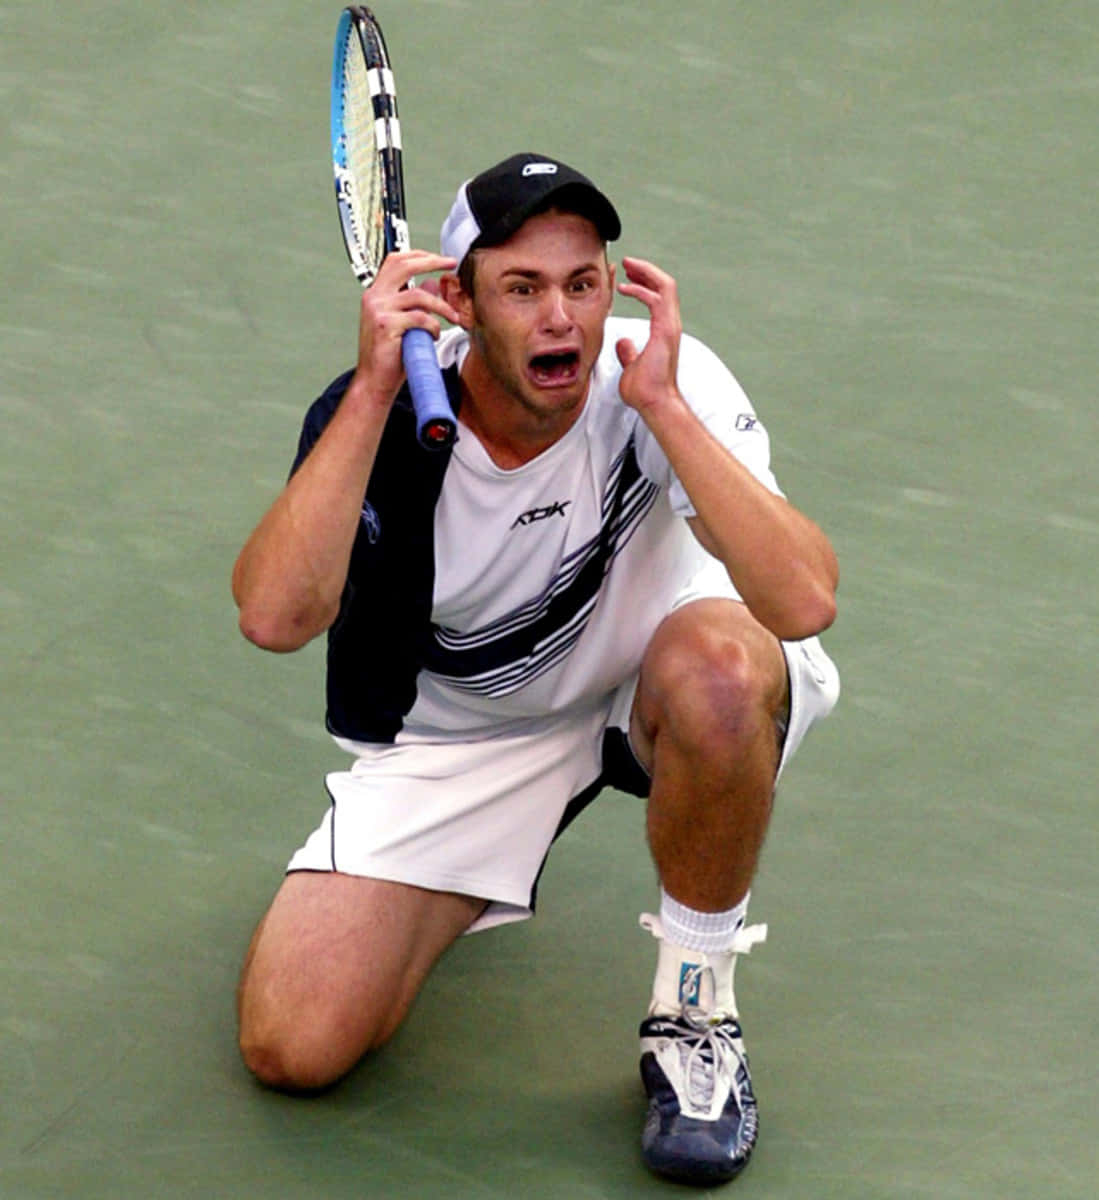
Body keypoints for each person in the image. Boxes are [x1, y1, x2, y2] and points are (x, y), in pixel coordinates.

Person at [231, 152, 839, 1186]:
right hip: (473, 733)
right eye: (522, 288)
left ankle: (693, 1014)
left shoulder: (658, 375)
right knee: (293, 1043)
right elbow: (273, 618)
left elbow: (802, 602)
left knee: (727, 675)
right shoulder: (383, 418)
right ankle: (465, 877)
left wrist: (668, 416)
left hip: (661, 665)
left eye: (582, 283)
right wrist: (374, 392)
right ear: (458, 302)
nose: (562, 317)